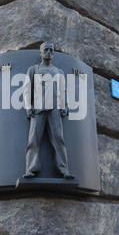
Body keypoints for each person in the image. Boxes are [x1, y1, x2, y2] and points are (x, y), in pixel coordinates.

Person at [22, 43, 75, 179]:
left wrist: (65, 105)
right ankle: (31, 168)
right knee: (33, 139)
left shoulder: (59, 71)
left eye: (51, 50)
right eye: (45, 50)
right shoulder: (33, 69)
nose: (48, 52)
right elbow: (27, 89)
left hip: (55, 109)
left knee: (58, 138)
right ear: (40, 53)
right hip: (38, 108)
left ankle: (63, 170)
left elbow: (63, 90)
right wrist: (28, 106)